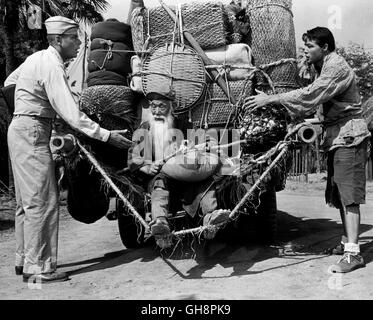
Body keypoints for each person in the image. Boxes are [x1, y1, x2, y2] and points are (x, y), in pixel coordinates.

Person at [6, 16, 133, 284]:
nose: (79, 43)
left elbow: (9, 82)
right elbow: (72, 114)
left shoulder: (36, 59)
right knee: (42, 200)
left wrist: (24, 106)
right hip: (33, 130)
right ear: (58, 40)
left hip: (23, 128)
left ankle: (23, 259)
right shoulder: (52, 66)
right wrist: (107, 135)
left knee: (25, 202)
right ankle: (40, 268)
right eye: (74, 38)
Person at [245, 27, 371, 273]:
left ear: (325, 47)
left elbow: (310, 95)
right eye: (304, 46)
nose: (305, 51)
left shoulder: (336, 67)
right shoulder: (322, 66)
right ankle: (347, 243)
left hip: (350, 136)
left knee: (349, 197)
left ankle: (354, 255)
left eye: (310, 47)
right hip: (337, 136)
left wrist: (271, 99)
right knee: (338, 194)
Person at [128, 87, 230, 249]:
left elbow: (206, 140)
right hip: (162, 177)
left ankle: (210, 218)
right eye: (153, 106)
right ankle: (160, 222)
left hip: (189, 177)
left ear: (172, 107)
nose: (156, 111)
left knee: (204, 179)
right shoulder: (145, 129)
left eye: (161, 106)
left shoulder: (184, 125)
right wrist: (146, 167)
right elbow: (135, 157)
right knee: (159, 182)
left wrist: (208, 144)